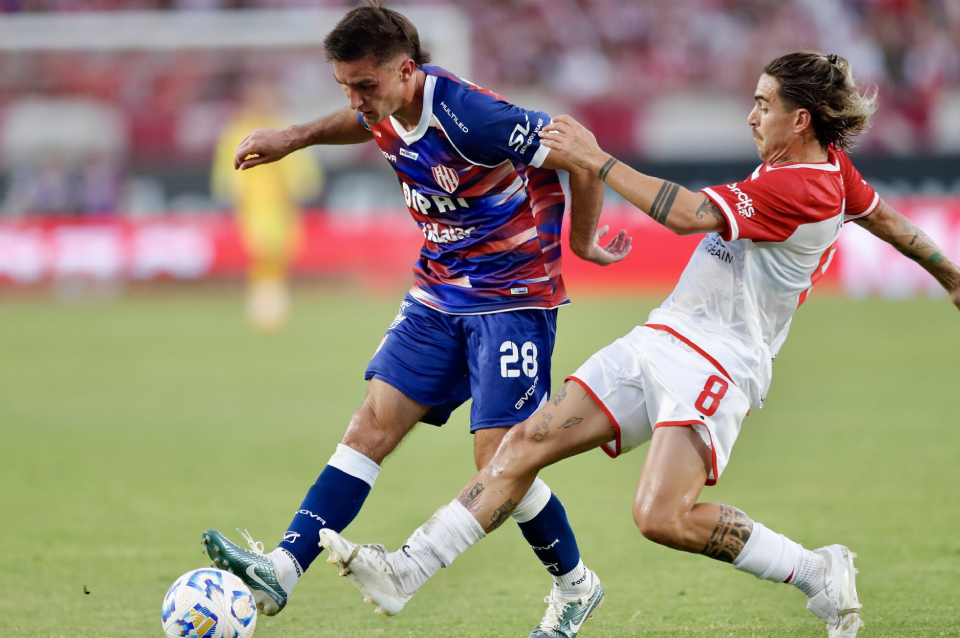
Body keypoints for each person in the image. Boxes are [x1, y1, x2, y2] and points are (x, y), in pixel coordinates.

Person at [317, 51, 960, 638]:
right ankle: (408, 569)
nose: (751, 115)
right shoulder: (828, 169)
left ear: (801, 119)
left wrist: (597, 160)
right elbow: (885, 219)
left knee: (661, 517)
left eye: (763, 104)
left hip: (718, 360)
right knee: (524, 443)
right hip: (665, 333)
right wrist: (952, 277)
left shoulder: (801, 187)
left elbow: (684, 215)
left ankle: (816, 570)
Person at [200, 2, 631, 636]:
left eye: (364, 85)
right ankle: (282, 569)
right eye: (345, 86)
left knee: (500, 458)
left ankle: (575, 586)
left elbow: (583, 153)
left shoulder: (471, 116)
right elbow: (361, 121)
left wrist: (584, 241)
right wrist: (294, 137)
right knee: (371, 424)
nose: (356, 100)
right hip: (439, 288)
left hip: (512, 293)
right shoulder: (381, 105)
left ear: (406, 71)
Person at [211, 78, 323, 331]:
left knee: (281, 254)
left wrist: (301, 185)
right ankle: (263, 303)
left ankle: (273, 301)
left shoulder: (284, 127)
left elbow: (299, 164)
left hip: (282, 206)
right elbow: (228, 164)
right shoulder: (239, 129)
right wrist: (231, 188)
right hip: (254, 206)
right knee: (260, 252)